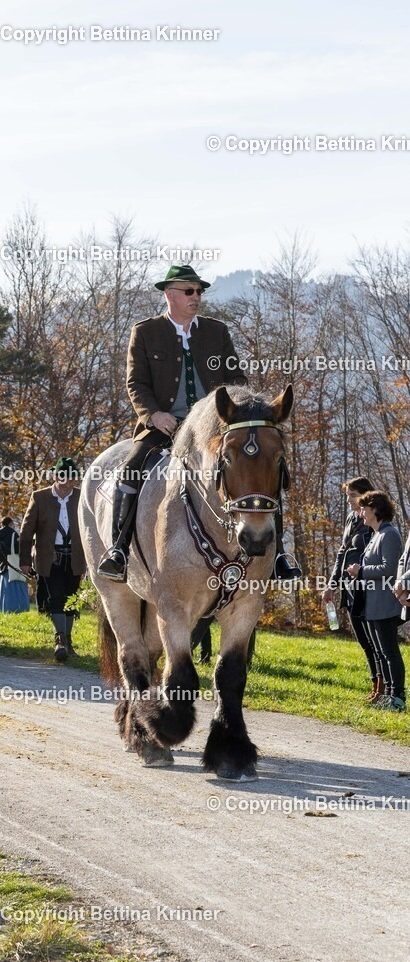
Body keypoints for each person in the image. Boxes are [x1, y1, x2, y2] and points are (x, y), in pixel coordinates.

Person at [97, 263, 300, 582]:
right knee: (131, 469)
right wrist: (153, 415)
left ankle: (279, 555)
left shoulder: (216, 331)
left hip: (212, 432)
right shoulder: (145, 332)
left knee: (265, 467)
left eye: (199, 291)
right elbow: (136, 383)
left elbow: (236, 379)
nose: (196, 296)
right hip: (163, 428)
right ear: (169, 295)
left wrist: (236, 411)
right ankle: (118, 551)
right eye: (189, 291)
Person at [19, 457, 85, 661]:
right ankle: (59, 639)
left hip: (75, 557)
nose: (68, 482)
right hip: (50, 557)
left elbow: (90, 529)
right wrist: (24, 560)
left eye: (73, 477)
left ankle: (68, 640)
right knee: (55, 597)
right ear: (56, 476)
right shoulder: (40, 497)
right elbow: (26, 530)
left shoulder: (82, 497)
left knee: (71, 600)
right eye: (64, 477)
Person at [347, 491, 405, 712]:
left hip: (385, 603)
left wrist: (360, 571)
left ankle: (397, 697)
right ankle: (387, 695)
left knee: (389, 651)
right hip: (372, 604)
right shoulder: (376, 533)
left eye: (364, 508)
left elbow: (388, 568)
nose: (361, 512)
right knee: (380, 652)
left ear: (376, 509)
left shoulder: (389, 534)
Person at [322, 477, 378, 702]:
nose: (349, 501)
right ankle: (375, 685)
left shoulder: (374, 521)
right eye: (347, 497)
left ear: (365, 495)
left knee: (373, 640)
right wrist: (331, 585)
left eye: (352, 496)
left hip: (368, 586)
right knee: (363, 641)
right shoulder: (351, 519)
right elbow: (341, 553)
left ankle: (384, 688)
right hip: (349, 586)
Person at [0, 516, 30, 614]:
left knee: (5, 590)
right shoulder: (13, 533)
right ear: (10, 523)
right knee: (17, 589)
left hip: (2, 564)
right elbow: (18, 549)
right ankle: (20, 609)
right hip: (13, 565)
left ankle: (4, 609)